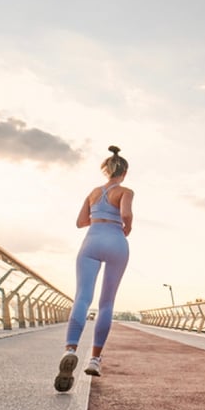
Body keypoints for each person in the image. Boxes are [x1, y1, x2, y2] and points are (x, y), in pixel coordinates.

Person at [54, 145, 133, 392]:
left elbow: (80, 222)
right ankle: (95, 359)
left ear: (106, 171)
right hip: (116, 240)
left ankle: (70, 349)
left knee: (82, 297)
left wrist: (98, 215)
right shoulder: (125, 191)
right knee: (107, 303)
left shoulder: (93, 192)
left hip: (92, 239)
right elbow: (126, 214)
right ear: (124, 172)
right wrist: (126, 226)